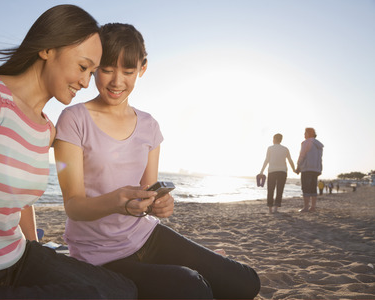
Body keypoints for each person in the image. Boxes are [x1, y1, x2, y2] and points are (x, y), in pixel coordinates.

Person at [0, 5, 138, 299]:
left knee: (122, 290)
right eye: (82, 67)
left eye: (91, 72)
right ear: (47, 49)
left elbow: (21, 200)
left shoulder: (46, 128)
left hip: (16, 258)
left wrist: (34, 248)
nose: (86, 82)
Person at [54, 23, 260, 299]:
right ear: (94, 67)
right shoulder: (74, 119)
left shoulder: (149, 125)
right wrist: (117, 201)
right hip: (99, 255)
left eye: (128, 71)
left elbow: (148, 190)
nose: (117, 81)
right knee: (193, 288)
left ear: (142, 68)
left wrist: (160, 204)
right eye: (106, 69)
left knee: (247, 283)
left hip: (147, 236)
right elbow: (74, 207)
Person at [259, 133, 296, 213]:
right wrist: (294, 169)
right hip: (283, 171)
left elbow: (267, 160)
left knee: (270, 189)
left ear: (275, 139)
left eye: (273, 139)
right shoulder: (285, 149)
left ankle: (270, 209)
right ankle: (276, 208)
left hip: (272, 171)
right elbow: (290, 160)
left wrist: (261, 171)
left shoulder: (270, 148)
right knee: (280, 190)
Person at [295, 127, 324, 212]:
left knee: (306, 187)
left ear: (308, 133)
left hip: (307, 168)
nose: (304, 135)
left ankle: (306, 207)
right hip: (316, 169)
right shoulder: (319, 145)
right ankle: (313, 207)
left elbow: (302, 155)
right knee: (313, 188)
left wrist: (298, 166)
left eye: (305, 133)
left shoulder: (306, 142)